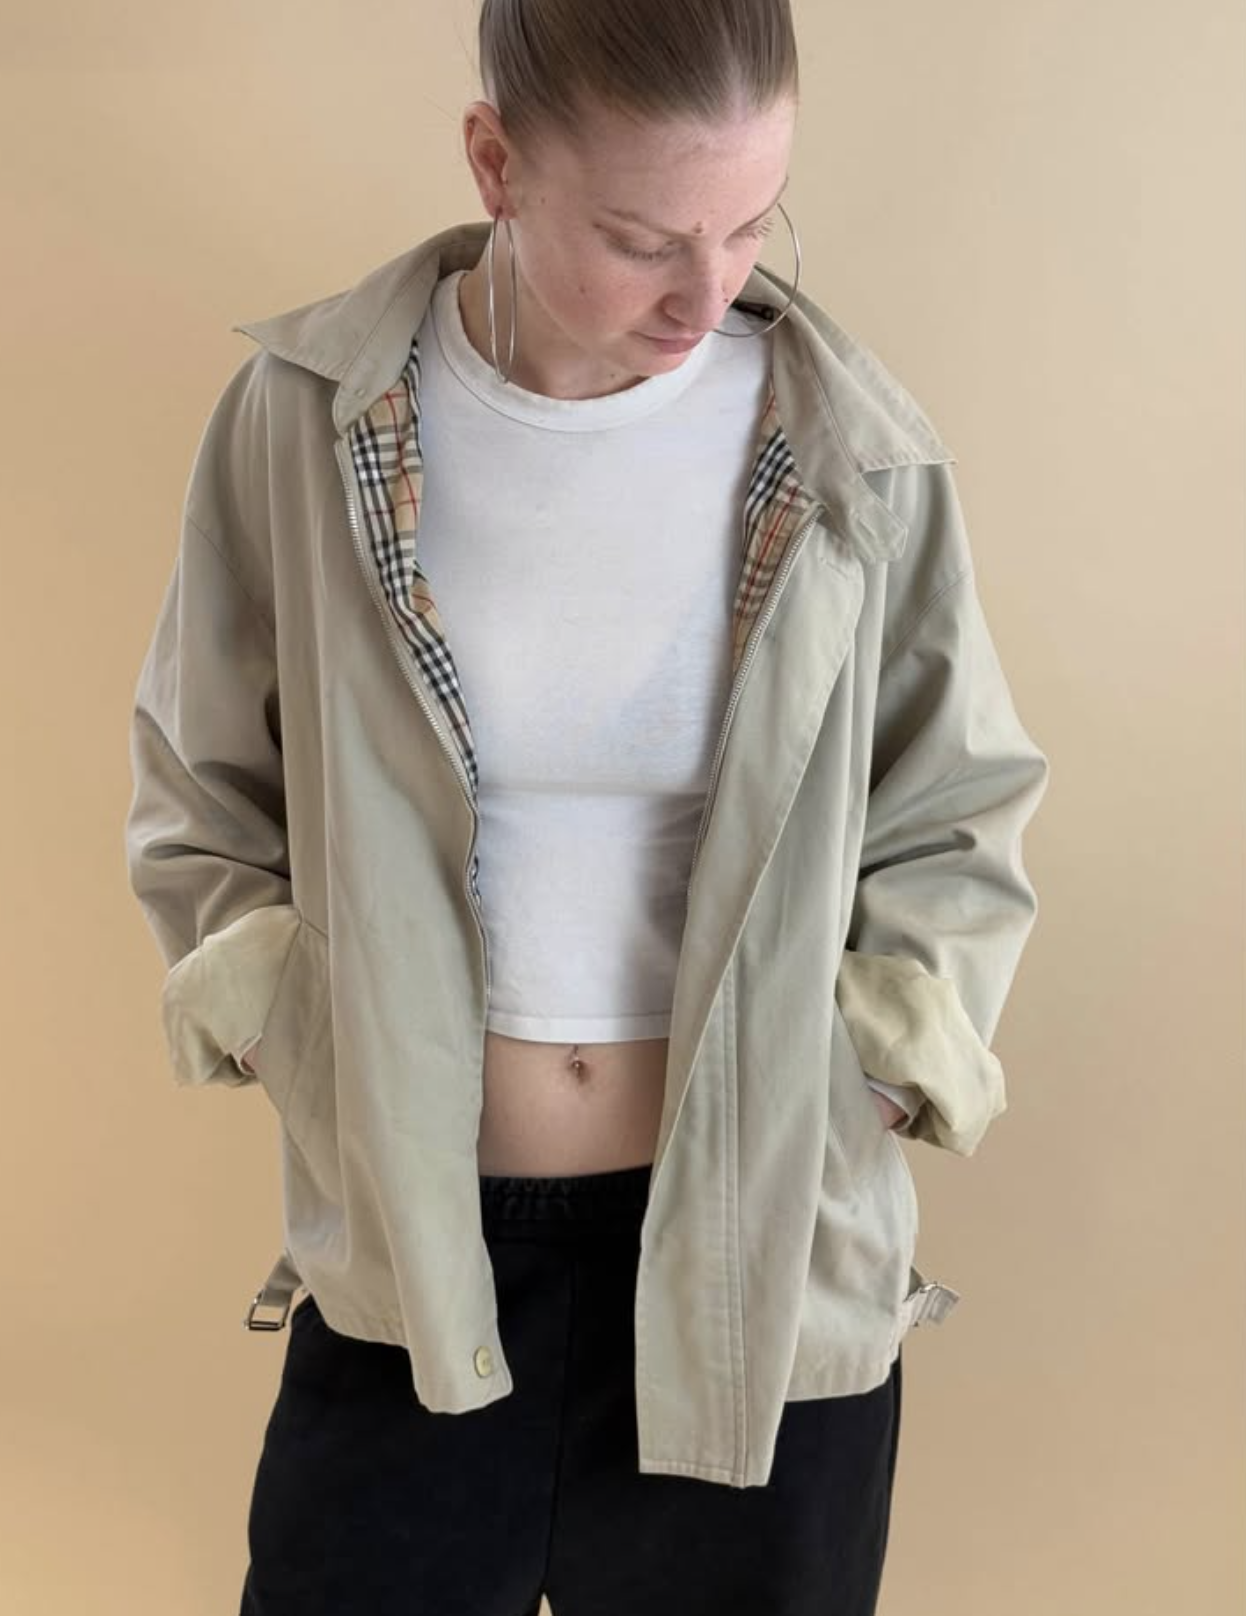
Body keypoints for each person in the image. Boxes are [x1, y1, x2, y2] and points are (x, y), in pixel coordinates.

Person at [123, 2, 1049, 1612]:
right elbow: (203, 781)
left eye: (749, 224)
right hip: (416, 1263)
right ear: (494, 161)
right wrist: (290, 1028)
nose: (708, 292)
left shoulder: (843, 448)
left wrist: (877, 1073)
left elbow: (955, 800)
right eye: (639, 238)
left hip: (757, 1266)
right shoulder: (311, 419)